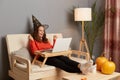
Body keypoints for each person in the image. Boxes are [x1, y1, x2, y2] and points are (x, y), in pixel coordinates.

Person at [28, 15, 93, 74]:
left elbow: (52, 49)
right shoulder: (33, 40)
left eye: (43, 30)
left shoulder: (46, 40)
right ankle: (81, 70)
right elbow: (34, 52)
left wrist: (55, 40)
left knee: (65, 59)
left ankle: (81, 66)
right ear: (36, 31)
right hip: (42, 58)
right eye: (40, 30)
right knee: (60, 63)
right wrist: (32, 41)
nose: (42, 32)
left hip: (51, 55)